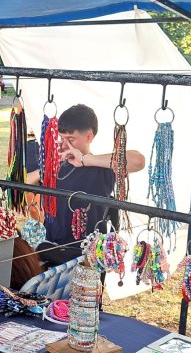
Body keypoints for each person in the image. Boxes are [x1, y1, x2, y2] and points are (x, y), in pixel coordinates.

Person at [26, 104, 145, 266]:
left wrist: (85, 160)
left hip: (86, 256)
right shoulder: (57, 166)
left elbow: (138, 161)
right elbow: (25, 182)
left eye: (71, 139)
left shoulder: (102, 168)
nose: (63, 144)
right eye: (61, 138)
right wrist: (46, 171)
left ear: (89, 137)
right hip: (51, 248)